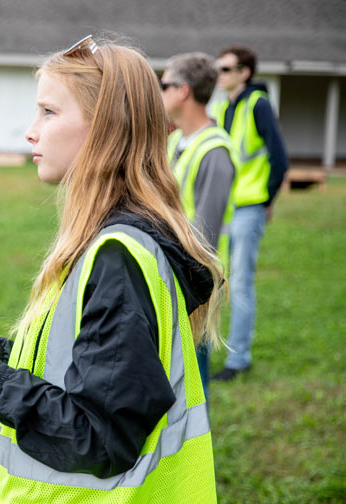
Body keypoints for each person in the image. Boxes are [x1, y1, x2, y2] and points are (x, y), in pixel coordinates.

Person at [0, 36, 223, 503]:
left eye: (48, 112)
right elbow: (84, 362)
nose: (31, 131)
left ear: (105, 127)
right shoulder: (107, 242)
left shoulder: (119, 257)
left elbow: (101, 434)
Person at [160, 52, 237, 399]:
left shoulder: (214, 151)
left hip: (194, 282)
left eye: (164, 85)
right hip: (170, 273)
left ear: (183, 91)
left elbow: (204, 237)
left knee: (192, 387)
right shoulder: (177, 141)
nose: (158, 93)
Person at [211, 45, 289, 382]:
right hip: (224, 208)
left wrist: (265, 200)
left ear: (244, 73)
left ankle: (238, 359)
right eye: (218, 69)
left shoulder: (257, 105)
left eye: (226, 69)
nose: (220, 75)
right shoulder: (220, 108)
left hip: (248, 208)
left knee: (240, 284)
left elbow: (279, 158)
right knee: (216, 281)